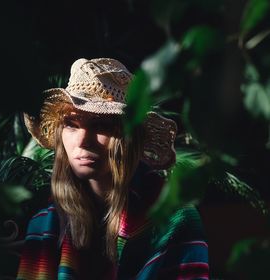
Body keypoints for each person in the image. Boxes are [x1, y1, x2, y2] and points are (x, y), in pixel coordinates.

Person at [17, 58, 209, 279]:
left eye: (101, 126)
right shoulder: (44, 224)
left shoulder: (175, 219)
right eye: (71, 124)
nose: (82, 141)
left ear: (129, 138)